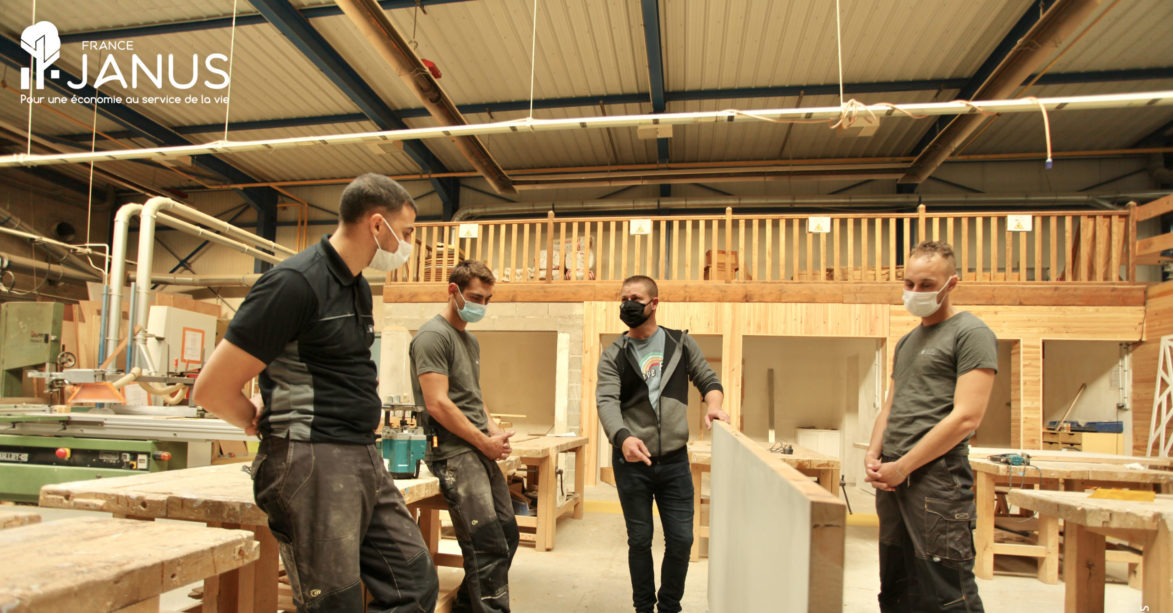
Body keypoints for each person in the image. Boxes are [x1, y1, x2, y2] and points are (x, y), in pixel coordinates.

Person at [193, 173, 439, 613]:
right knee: (334, 603)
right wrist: (255, 416)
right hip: (310, 457)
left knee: (413, 581)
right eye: (406, 234)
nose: (408, 246)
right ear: (377, 226)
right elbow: (212, 388)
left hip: (361, 453)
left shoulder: (357, 285)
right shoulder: (294, 283)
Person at [865, 240, 997, 612]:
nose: (915, 292)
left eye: (926, 285)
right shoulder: (907, 341)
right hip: (892, 481)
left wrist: (903, 466)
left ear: (951, 284)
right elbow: (891, 403)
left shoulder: (971, 333)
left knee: (947, 594)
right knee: (897, 587)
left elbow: (967, 418)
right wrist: (875, 455)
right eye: (909, 283)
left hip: (937, 480)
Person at [595, 275, 728, 613]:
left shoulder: (680, 343)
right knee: (639, 540)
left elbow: (708, 380)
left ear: (654, 303)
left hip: (675, 461)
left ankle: (669, 606)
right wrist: (622, 438)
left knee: (682, 540)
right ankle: (643, 607)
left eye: (635, 298)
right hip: (631, 463)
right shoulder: (614, 354)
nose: (628, 304)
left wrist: (714, 406)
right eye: (623, 298)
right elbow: (607, 402)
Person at [410, 259, 519, 613]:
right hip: (454, 452)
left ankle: (463, 607)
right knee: (486, 543)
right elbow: (437, 403)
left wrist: (493, 431)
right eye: (475, 297)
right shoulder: (432, 336)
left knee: (506, 534)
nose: (482, 306)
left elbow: (472, 395)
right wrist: (481, 441)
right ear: (452, 290)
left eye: (487, 299)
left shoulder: (468, 341)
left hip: (477, 447)